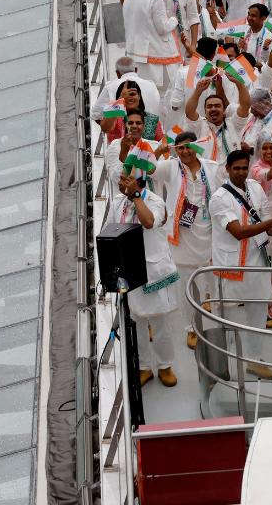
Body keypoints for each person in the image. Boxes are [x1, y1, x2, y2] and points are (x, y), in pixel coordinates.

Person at [208, 149, 272, 380]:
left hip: (257, 261)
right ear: (228, 169)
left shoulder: (255, 187)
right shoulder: (219, 199)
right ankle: (223, 363)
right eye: (237, 168)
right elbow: (238, 232)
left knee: (257, 315)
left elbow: (264, 225)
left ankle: (254, 360)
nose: (241, 172)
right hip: (231, 267)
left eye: (245, 168)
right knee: (226, 318)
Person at [144, 130, 224, 350]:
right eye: (180, 148)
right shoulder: (170, 166)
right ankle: (192, 329)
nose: (185, 151)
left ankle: (218, 325)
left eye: (189, 147)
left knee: (212, 283)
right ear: (176, 150)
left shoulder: (211, 166)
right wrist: (156, 153)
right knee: (187, 286)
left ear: (196, 147)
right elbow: (149, 169)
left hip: (208, 234)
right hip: (181, 237)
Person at [112, 164, 180, 389]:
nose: (121, 183)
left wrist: (136, 197)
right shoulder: (118, 203)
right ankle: (144, 367)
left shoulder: (155, 201)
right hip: (130, 273)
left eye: (126, 179)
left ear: (138, 180)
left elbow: (149, 222)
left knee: (160, 323)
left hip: (153, 272)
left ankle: (165, 366)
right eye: (121, 179)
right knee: (137, 322)